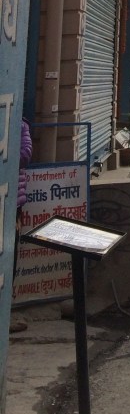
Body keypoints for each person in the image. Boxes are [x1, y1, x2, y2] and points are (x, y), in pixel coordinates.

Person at [10, 117, 32, 333]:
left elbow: (25, 155)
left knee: (10, 258)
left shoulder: (20, 125)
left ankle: (5, 312)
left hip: (12, 205)